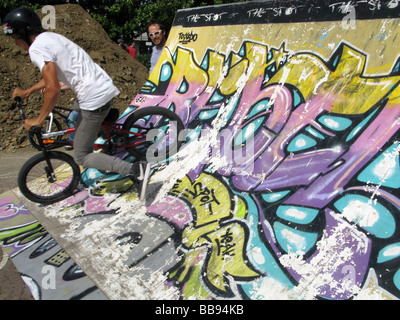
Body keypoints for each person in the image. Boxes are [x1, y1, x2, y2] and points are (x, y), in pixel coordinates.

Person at [3, 7, 147, 190]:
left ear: (24, 33)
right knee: (74, 108)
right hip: (101, 87)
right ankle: (106, 125)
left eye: (15, 37)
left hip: (94, 97)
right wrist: (28, 91)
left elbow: (53, 88)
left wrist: (38, 120)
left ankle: (136, 169)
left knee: (82, 156)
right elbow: (51, 75)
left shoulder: (37, 49)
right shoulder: (49, 37)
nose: (15, 43)